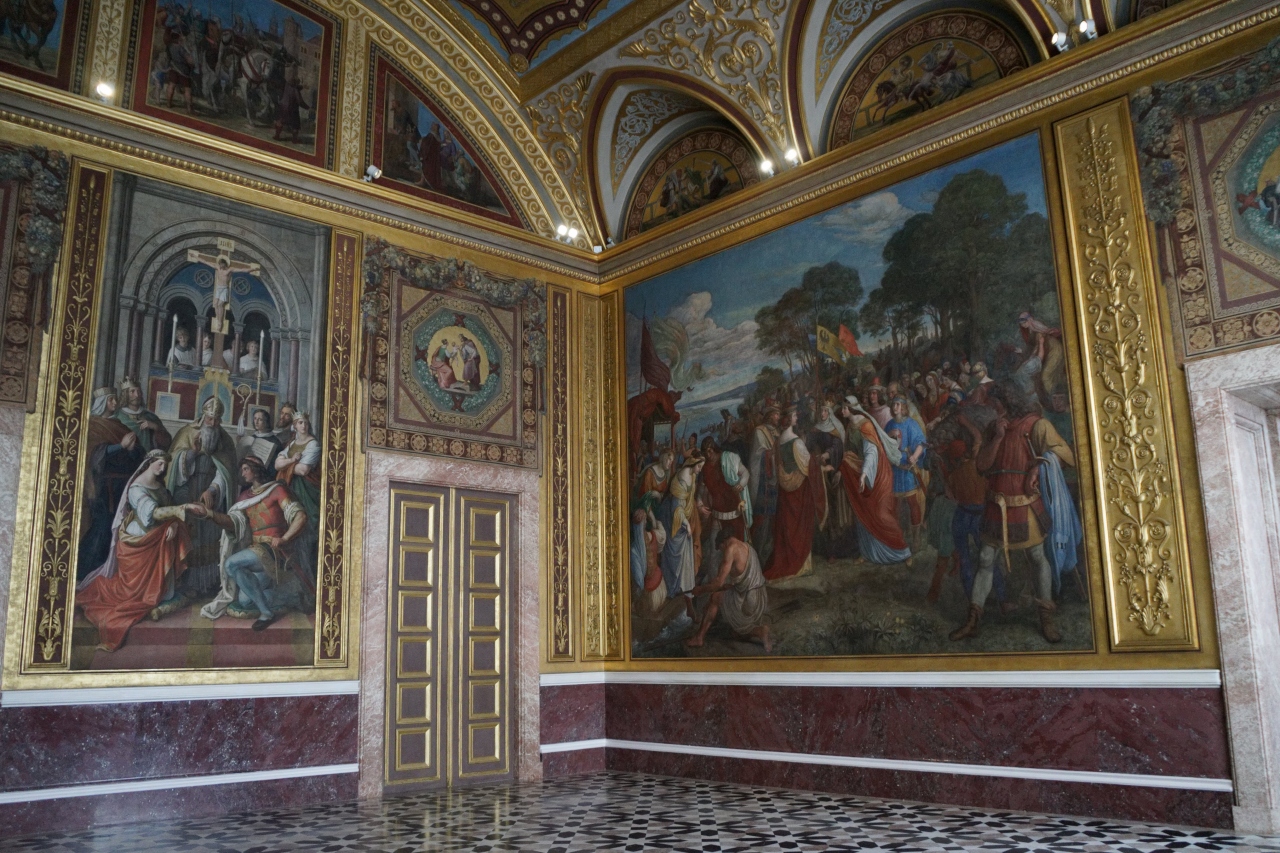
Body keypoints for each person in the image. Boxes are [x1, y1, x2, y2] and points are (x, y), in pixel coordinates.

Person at [949, 383, 1076, 644]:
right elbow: (982, 466)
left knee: (1037, 557)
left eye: (996, 405)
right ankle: (973, 620)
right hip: (996, 506)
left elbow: (1065, 454)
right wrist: (997, 437)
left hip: (1025, 505)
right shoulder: (994, 428)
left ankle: (1046, 617)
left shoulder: (1036, 425)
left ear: (1008, 402)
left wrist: (1038, 468)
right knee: (985, 558)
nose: (993, 409)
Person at [76, 451, 201, 651]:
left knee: (173, 535)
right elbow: (151, 515)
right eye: (160, 464)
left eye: (165, 465)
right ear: (149, 463)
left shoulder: (159, 486)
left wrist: (174, 523)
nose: (163, 468)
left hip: (157, 535)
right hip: (140, 538)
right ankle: (146, 593)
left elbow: (167, 509)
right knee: (132, 593)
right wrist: (181, 509)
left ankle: (162, 592)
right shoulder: (136, 489)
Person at [197, 456, 314, 627]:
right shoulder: (244, 497)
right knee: (246, 601)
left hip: (276, 549)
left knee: (231, 564)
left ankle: (266, 613)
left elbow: (300, 516)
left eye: (246, 469)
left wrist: (284, 538)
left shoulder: (277, 490)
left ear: (256, 470)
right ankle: (291, 595)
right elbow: (233, 523)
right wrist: (209, 514)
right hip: (257, 550)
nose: (242, 473)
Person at [167, 396, 239, 596]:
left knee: (211, 535)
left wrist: (213, 490)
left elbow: (226, 471)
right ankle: (187, 583)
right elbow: (173, 463)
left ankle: (210, 584)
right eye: (209, 419)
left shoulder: (224, 439)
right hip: (187, 490)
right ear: (203, 416)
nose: (213, 424)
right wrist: (192, 453)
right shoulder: (187, 432)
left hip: (212, 494)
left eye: (217, 420)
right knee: (190, 535)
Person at [836, 396, 910, 564]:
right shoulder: (850, 427)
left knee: (881, 515)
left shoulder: (866, 426)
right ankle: (867, 552)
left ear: (852, 408)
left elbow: (871, 453)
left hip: (877, 473)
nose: (842, 411)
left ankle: (902, 551)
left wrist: (864, 474)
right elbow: (848, 453)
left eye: (845, 408)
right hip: (860, 472)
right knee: (862, 512)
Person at [763, 408, 829, 581]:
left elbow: (777, 466)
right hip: (800, 489)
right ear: (788, 419)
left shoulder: (778, 442)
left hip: (785, 491)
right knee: (799, 525)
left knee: (788, 525)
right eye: (793, 415)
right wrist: (818, 461)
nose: (796, 417)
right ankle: (801, 565)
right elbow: (808, 465)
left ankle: (788, 559)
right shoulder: (796, 442)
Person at [685, 529, 771, 653]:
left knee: (715, 597)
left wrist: (701, 589)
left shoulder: (730, 549)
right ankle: (759, 631)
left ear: (723, 543)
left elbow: (718, 583)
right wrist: (729, 586)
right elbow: (745, 579)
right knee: (735, 634)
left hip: (748, 601)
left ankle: (699, 638)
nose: (722, 552)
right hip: (759, 597)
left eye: (720, 549)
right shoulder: (747, 546)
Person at [657, 453, 703, 604]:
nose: (700, 469)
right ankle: (673, 587)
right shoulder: (682, 479)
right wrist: (686, 524)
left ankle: (684, 586)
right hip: (671, 519)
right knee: (675, 552)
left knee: (686, 545)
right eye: (699, 466)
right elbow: (676, 508)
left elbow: (688, 500)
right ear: (692, 463)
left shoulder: (692, 474)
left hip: (680, 516)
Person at [887, 396, 928, 544]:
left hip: (908, 468)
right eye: (894, 404)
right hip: (895, 468)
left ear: (904, 407)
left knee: (912, 502)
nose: (895, 407)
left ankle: (916, 537)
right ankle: (899, 536)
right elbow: (884, 444)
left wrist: (915, 456)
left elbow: (921, 442)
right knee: (895, 504)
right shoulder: (889, 424)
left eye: (898, 404)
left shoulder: (911, 424)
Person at [699, 437, 751, 545]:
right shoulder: (704, 467)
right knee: (716, 546)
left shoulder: (729, 458)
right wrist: (700, 502)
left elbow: (745, 473)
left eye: (710, 451)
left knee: (736, 544)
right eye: (705, 452)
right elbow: (702, 488)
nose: (708, 455)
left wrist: (741, 484)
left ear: (714, 448)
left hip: (734, 510)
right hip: (717, 512)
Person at [748, 406, 781, 562]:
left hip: (774, 481)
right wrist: (771, 454)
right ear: (769, 415)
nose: (778, 417)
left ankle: (770, 553)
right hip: (763, 482)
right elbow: (756, 456)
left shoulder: (776, 432)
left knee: (774, 516)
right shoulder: (759, 431)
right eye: (776, 414)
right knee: (763, 517)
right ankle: (758, 554)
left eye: (778, 415)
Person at [114, 379, 172, 452]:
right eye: (132, 391)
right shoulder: (117, 416)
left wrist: (156, 427)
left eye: (139, 391)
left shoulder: (151, 416)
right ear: (125, 395)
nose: (137, 395)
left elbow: (167, 442)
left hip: (148, 457)